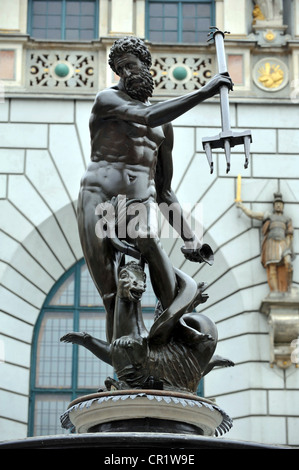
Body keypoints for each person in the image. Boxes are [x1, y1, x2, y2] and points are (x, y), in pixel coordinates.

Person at [77, 36, 233, 342]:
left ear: (146, 66)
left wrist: (189, 237)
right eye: (120, 69)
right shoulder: (107, 101)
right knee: (111, 294)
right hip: (98, 198)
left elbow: (163, 190)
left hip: (138, 202)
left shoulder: (165, 127)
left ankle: (170, 329)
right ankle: (122, 369)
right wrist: (204, 92)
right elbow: (148, 116)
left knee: (147, 238)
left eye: (132, 66)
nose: (127, 74)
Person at [236, 192, 294, 293]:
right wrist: (242, 207)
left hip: (283, 244)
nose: (278, 205)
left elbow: (289, 234)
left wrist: (288, 247)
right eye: (276, 204)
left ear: (283, 206)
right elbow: (252, 214)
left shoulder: (287, 219)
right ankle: (275, 292)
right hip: (271, 243)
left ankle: (288, 287)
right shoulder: (268, 216)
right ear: (274, 206)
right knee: (272, 267)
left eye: (280, 204)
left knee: (288, 262)